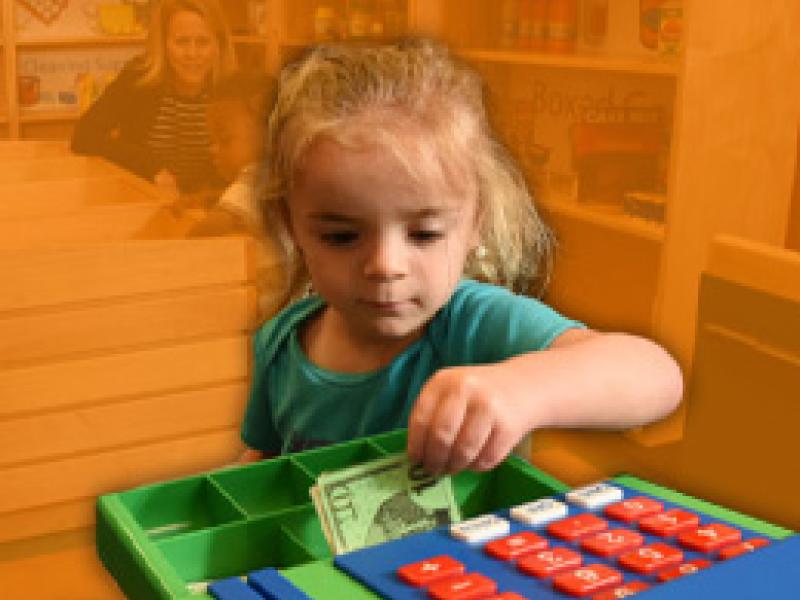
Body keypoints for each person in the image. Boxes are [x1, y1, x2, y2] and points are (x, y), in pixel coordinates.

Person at [239, 39, 683, 476]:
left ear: (476, 224)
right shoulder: (280, 343)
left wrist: (522, 387)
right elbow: (261, 469)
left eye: (425, 233)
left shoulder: (475, 325)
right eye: (341, 236)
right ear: (291, 224)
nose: (386, 265)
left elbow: (656, 375)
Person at [71, 0, 236, 197]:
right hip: (141, 202)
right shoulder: (138, 78)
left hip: (204, 207)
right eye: (182, 42)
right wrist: (151, 167)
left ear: (219, 45)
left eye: (203, 42)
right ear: (163, 44)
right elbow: (84, 136)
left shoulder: (232, 88)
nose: (192, 54)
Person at [186, 70, 287, 320]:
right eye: (212, 141)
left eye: (225, 140)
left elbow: (213, 226)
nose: (214, 150)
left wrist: (176, 250)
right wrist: (212, 198)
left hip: (268, 307)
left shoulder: (253, 179)